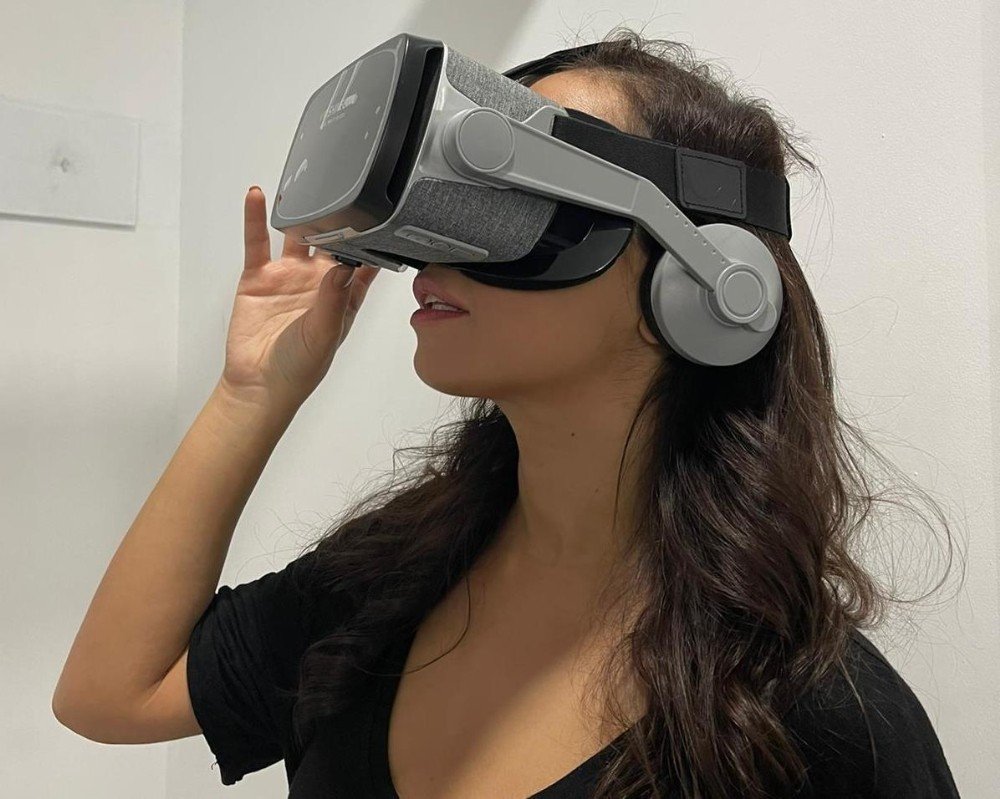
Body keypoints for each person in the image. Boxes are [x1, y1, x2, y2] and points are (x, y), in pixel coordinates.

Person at [51, 26, 962, 799]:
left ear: (709, 280)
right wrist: (251, 392)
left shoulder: (814, 722)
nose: (438, 246)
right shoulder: (386, 582)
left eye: (515, 201)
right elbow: (109, 695)